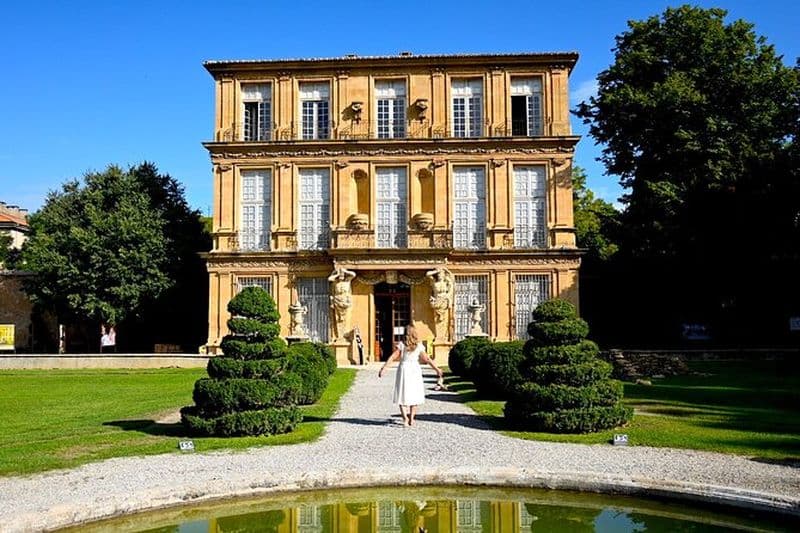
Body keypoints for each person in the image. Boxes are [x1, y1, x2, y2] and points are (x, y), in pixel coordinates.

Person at [378, 324, 443, 426]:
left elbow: (392, 357)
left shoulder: (402, 345)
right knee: (415, 394)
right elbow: (427, 359)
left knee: (402, 394)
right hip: (414, 370)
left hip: (404, 369)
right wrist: (437, 369)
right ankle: (412, 419)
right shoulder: (419, 346)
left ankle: (405, 419)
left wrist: (384, 368)